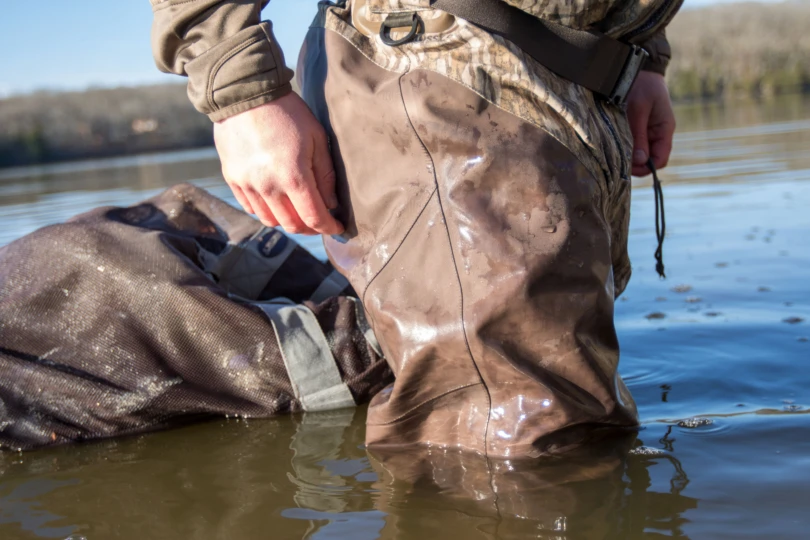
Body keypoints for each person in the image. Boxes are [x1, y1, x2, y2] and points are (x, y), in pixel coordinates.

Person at [152, 0, 677, 458]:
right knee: (522, 440)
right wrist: (240, 88)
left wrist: (638, 55)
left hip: (575, 78)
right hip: (439, 63)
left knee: (561, 397)